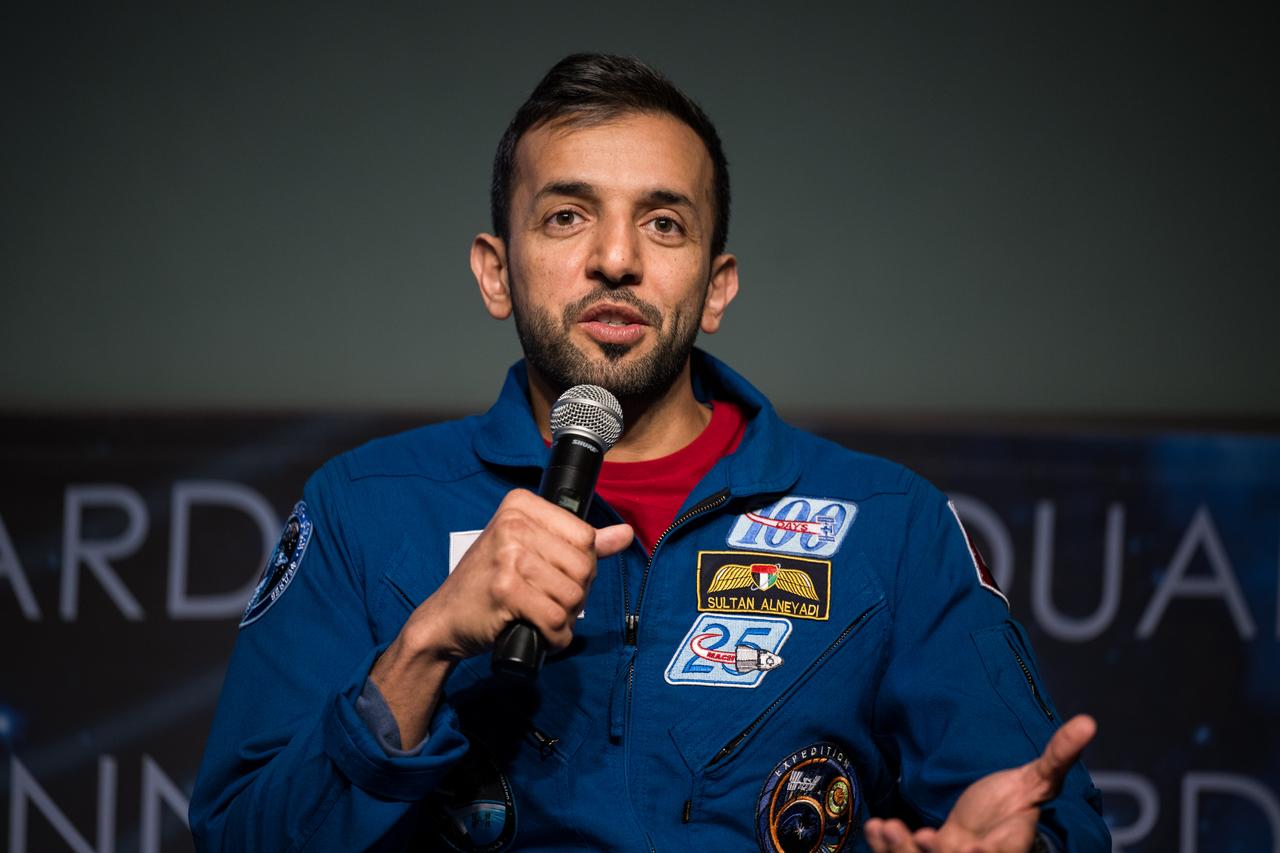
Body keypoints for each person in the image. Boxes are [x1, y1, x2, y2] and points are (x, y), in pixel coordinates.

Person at [190, 53, 1110, 852]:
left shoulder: (890, 526)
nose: (617, 258)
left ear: (716, 288)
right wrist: (425, 646)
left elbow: (1041, 813)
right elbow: (240, 836)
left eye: (664, 222)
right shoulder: (364, 508)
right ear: (495, 272)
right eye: (566, 216)